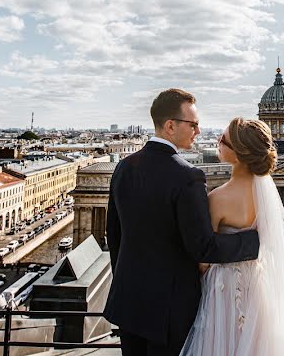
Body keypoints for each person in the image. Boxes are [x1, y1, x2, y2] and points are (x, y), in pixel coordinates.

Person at [105, 90, 260, 356]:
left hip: (128, 302)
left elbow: (114, 234)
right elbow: (203, 247)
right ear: (170, 126)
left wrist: (126, 281)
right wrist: (254, 240)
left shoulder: (124, 167)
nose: (198, 131)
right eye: (193, 124)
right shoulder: (188, 177)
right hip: (169, 310)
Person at [179, 117, 284, 356]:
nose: (217, 143)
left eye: (223, 140)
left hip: (224, 290)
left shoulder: (217, 198)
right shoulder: (266, 197)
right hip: (261, 285)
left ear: (239, 154)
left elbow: (204, 257)